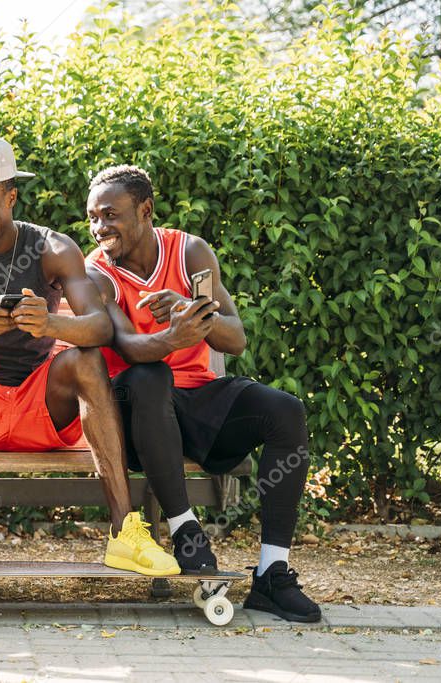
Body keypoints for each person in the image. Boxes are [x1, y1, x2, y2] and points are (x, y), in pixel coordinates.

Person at [0, 135, 179, 578]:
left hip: (43, 407)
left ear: (11, 196)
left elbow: (101, 327)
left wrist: (49, 324)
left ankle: (125, 534)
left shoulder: (53, 247)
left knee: (87, 359)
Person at [84, 164, 320, 622]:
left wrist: (196, 312)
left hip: (195, 402)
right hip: (135, 419)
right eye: (93, 217)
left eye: (110, 215)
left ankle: (273, 572)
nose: (99, 228)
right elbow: (129, 349)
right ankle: (185, 529)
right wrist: (172, 338)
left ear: (146, 209)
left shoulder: (189, 252)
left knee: (285, 411)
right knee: (149, 375)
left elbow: (235, 339)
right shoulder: (97, 273)